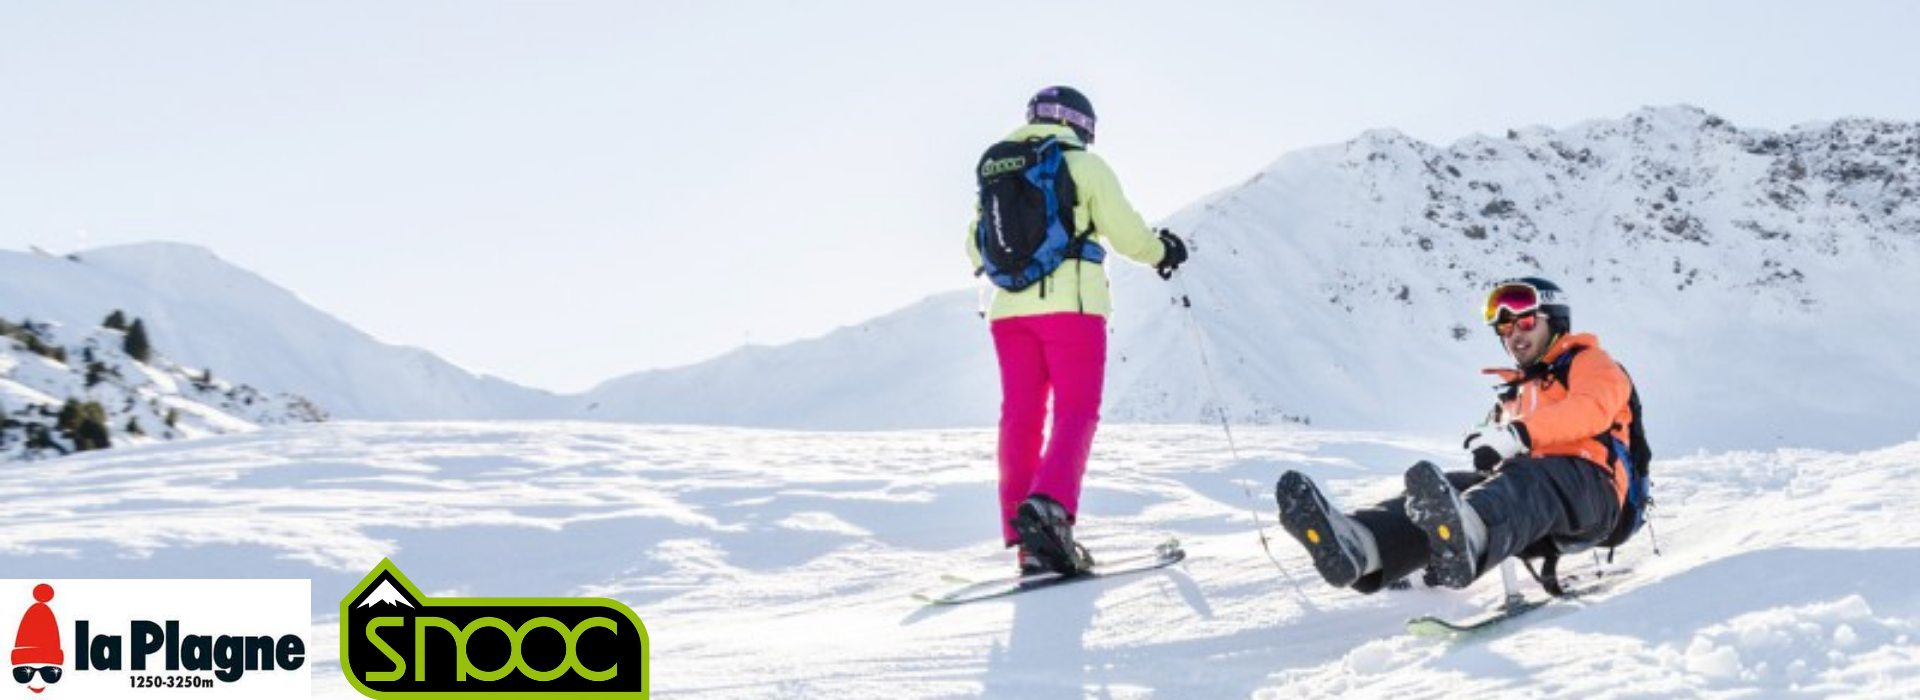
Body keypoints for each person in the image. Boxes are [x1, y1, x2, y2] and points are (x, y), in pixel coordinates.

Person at [1274, 277, 1635, 593]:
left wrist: (1517, 434)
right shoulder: (1515, 393)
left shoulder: (1591, 364)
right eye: (1505, 329)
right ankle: (1363, 547)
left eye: (1525, 322)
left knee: (1530, 478)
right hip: (1533, 513)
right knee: (1454, 489)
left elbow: (1590, 409)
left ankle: (1469, 537)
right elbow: (1499, 451)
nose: (1514, 335)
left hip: (1593, 496)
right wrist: (1488, 440)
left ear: (1555, 322)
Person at [968, 86, 1188, 575]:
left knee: (1020, 417)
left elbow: (973, 247)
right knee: (1076, 411)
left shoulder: (998, 170)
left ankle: (1028, 544)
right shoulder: (1082, 165)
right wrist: (1164, 251)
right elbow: (1127, 234)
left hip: (1007, 313)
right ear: (1081, 125)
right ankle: (1048, 513)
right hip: (1073, 308)